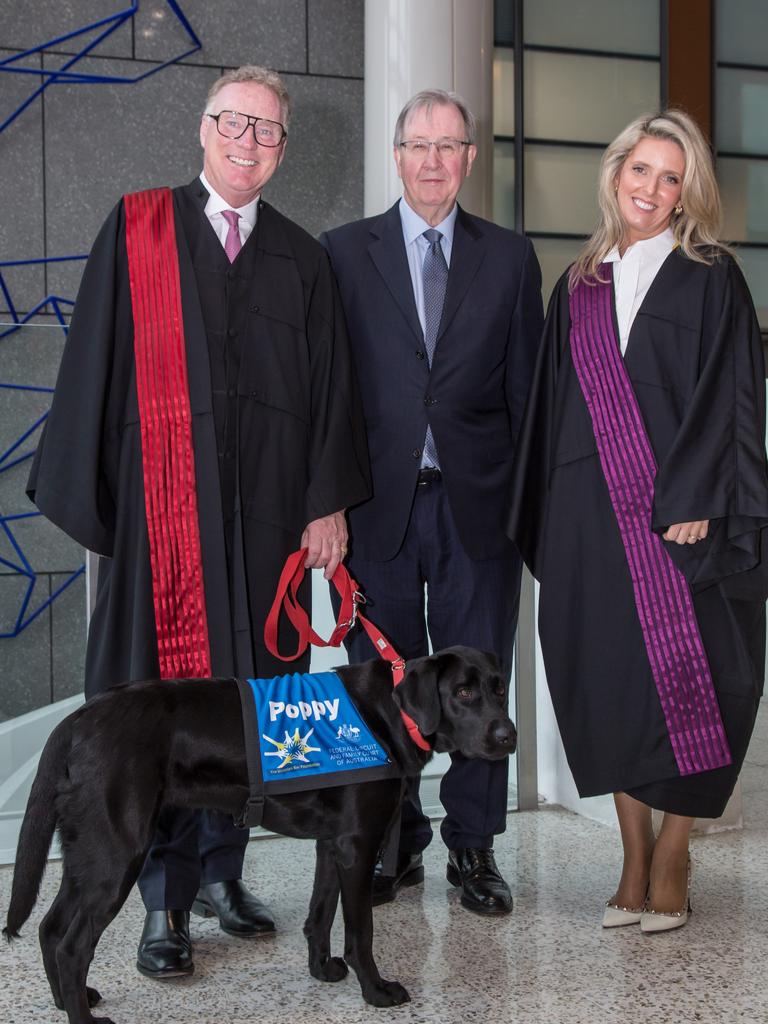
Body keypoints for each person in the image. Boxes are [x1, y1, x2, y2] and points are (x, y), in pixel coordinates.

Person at [27, 65, 370, 977]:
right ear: (203, 128)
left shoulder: (303, 258)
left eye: (269, 131)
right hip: (166, 525)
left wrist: (326, 503)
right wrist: (106, 510)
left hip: (266, 533)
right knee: (159, 710)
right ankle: (161, 902)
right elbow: (93, 369)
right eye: (235, 123)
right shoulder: (137, 229)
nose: (249, 142)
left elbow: (335, 393)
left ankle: (225, 873)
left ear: (285, 151)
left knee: (249, 704)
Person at [508, 109, 768, 933]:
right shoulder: (578, 285)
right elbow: (551, 413)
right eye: (640, 170)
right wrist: (547, 518)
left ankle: (676, 847)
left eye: (671, 176)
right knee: (608, 675)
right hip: (589, 514)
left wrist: (700, 495)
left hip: (677, 513)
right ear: (615, 171)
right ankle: (629, 850)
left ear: (689, 189)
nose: (652, 189)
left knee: (695, 679)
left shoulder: (711, 274)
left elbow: (733, 397)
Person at [321, 90, 543, 916]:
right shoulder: (343, 252)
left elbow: (528, 395)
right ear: (396, 153)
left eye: (450, 147)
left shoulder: (510, 258)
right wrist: (326, 504)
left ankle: (474, 848)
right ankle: (392, 842)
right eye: (419, 145)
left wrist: (527, 509)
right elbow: (327, 392)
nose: (433, 162)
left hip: (478, 507)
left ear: (470, 160)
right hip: (373, 507)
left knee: (479, 683)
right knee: (381, 684)